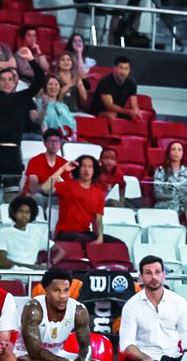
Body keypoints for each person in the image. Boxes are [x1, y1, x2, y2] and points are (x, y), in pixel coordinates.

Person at [119, 255, 187, 360]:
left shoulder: (179, 303)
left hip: (172, 357)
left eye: (157, 272)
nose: (154, 277)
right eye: (148, 273)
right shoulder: (131, 306)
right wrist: (146, 359)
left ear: (163, 274)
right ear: (141, 277)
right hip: (144, 358)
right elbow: (127, 344)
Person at [13, 269, 90, 359]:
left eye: (66, 290)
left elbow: (85, 349)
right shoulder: (33, 309)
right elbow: (34, 351)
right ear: (46, 291)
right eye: (57, 291)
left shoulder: (79, 311)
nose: (63, 296)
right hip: (26, 354)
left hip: (58, 354)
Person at [46, 155, 110, 244]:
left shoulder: (98, 193)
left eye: (90, 166)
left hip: (85, 232)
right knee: (82, 240)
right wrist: (62, 169)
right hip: (65, 233)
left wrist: (100, 238)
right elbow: (45, 188)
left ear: (94, 170)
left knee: (119, 244)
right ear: (78, 169)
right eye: (83, 166)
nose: (86, 170)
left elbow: (98, 220)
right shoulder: (68, 186)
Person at [0, 52, 43, 182]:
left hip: (13, 152)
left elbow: (40, 80)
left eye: (10, 79)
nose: (7, 83)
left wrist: (31, 59)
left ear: (15, 82)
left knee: (12, 191)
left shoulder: (21, 98)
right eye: (2, 79)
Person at [0, 196, 47, 269]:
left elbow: (59, 251)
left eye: (27, 212)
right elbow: (2, 261)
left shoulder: (36, 233)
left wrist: (51, 263)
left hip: (33, 274)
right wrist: (31, 267)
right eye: (21, 211)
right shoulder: (4, 233)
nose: (24, 215)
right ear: (14, 213)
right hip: (12, 273)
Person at [90, 55, 143, 120]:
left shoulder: (132, 84)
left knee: (136, 117)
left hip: (118, 111)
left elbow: (134, 105)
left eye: (126, 69)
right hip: (99, 110)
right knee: (112, 115)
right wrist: (128, 112)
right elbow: (109, 106)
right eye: (121, 68)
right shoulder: (105, 82)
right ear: (114, 68)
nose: (123, 72)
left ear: (129, 70)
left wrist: (136, 112)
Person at [22, 129, 67, 199]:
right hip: (38, 195)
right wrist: (48, 186)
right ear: (44, 143)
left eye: (57, 141)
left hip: (56, 196)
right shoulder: (35, 161)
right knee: (37, 197)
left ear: (60, 143)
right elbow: (33, 189)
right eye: (51, 141)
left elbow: (68, 186)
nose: (54, 144)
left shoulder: (64, 163)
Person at [153, 140, 187, 214]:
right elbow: (157, 194)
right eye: (173, 149)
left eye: (179, 150)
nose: (176, 152)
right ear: (169, 153)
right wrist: (174, 197)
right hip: (165, 206)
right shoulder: (160, 170)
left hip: (184, 206)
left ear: (183, 153)